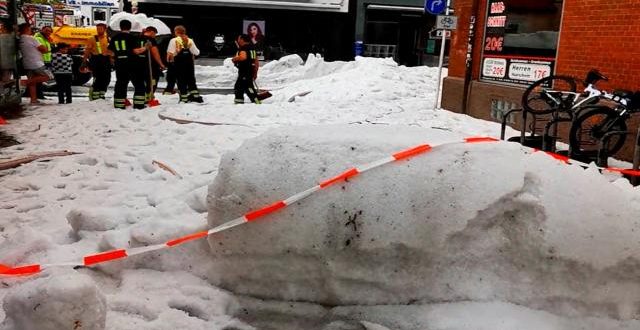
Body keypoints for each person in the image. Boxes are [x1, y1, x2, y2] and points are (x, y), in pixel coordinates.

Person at [108, 19, 147, 109]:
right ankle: (138, 104)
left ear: (120, 27)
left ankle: (119, 104)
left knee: (121, 83)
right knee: (139, 83)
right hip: (132, 64)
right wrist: (145, 48)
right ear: (130, 27)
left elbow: (108, 52)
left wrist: (117, 55)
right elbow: (136, 51)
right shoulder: (132, 38)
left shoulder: (115, 38)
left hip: (120, 64)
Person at [166, 25, 203, 103]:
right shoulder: (190, 40)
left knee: (181, 80)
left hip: (178, 63)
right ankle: (196, 96)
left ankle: (184, 98)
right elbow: (197, 52)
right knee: (191, 80)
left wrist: (169, 62)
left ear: (176, 32)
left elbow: (170, 53)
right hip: (189, 63)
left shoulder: (173, 40)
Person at [18, 23, 51, 105]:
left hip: (26, 62)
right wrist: (46, 48)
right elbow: (43, 49)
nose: (31, 29)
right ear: (27, 28)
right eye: (30, 28)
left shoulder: (19, 38)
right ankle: (24, 82)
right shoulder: (31, 38)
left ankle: (33, 99)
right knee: (48, 77)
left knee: (33, 83)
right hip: (37, 62)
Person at [81, 22, 111, 101]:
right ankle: (95, 96)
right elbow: (87, 51)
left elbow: (111, 51)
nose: (98, 30)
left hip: (106, 61)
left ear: (105, 29)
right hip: (96, 61)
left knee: (106, 79)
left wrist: (112, 60)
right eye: (97, 29)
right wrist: (84, 62)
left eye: (100, 29)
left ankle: (102, 95)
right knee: (97, 79)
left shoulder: (108, 39)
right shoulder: (92, 39)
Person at [231, 34, 260, 104]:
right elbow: (256, 62)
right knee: (241, 86)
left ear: (242, 40)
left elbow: (243, 57)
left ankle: (256, 100)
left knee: (246, 86)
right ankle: (240, 100)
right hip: (250, 70)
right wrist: (255, 72)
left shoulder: (244, 48)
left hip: (244, 71)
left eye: (239, 39)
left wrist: (234, 59)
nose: (238, 40)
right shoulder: (252, 48)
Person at [142, 26, 165, 102]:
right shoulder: (151, 40)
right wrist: (161, 64)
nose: (155, 36)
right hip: (151, 65)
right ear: (152, 32)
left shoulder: (137, 38)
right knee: (152, 81)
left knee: (143, 81)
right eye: (155, 34)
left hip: (139, 64)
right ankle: (149, 96)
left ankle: (143, 96)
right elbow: (155, 53)